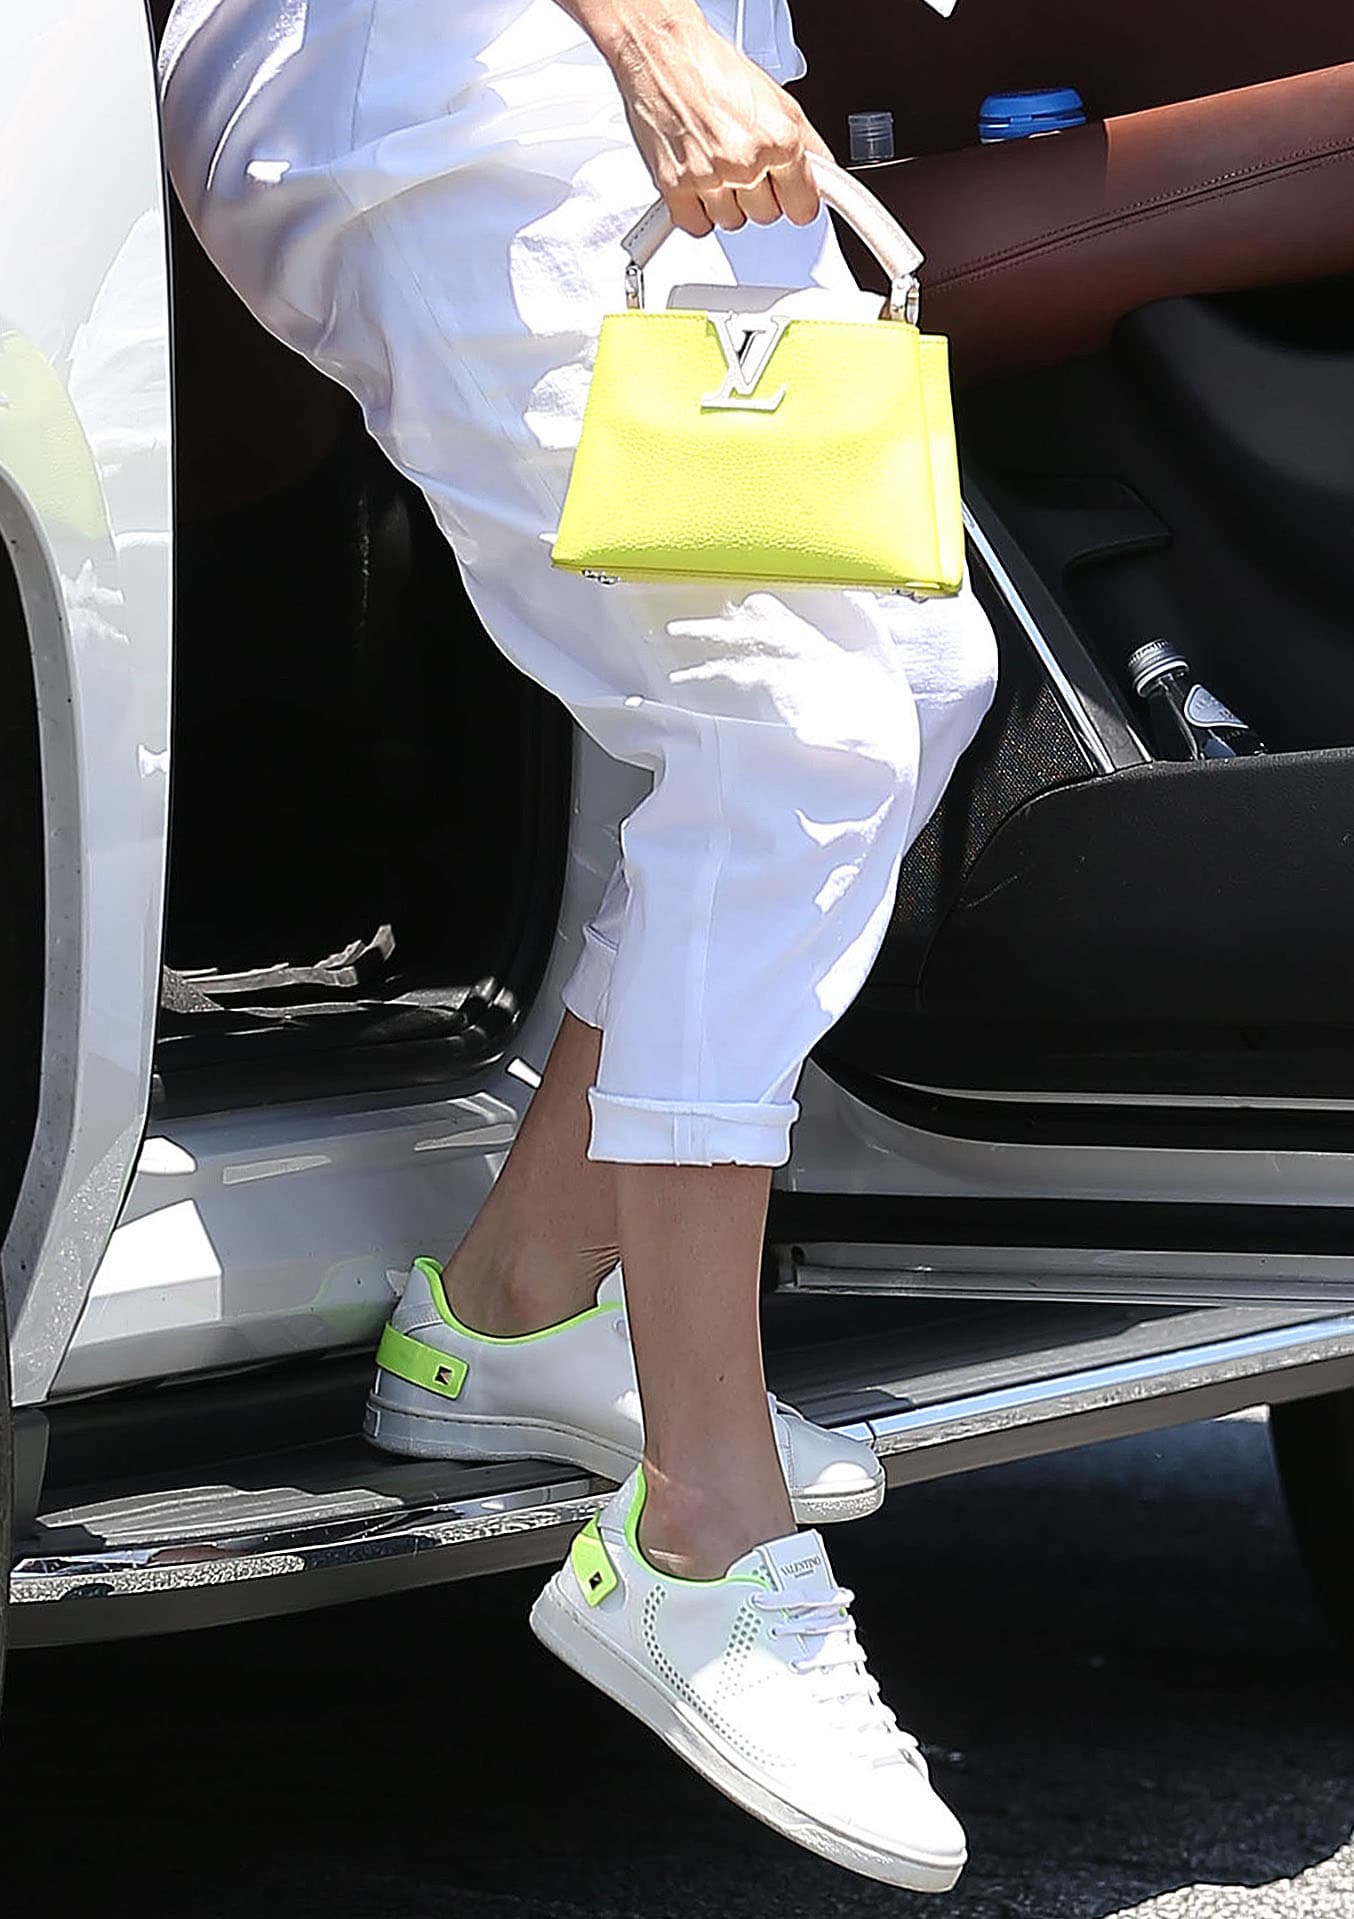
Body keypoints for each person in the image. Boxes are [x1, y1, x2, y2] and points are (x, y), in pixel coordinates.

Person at [157, 0, 996, 1889]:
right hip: (465, 77)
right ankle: (701, 1526)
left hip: (653, 79)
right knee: (786, 729)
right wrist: (649, 40)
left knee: (919, 670)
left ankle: (517, 1302)